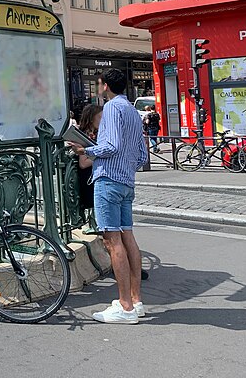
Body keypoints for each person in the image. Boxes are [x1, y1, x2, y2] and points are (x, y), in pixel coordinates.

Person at [71, 69, 148, 324]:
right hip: (127, 181)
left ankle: (124, 307)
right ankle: (135, 301)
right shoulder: (132, 111)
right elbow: (142, 156)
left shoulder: (113, 109)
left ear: (104, 86)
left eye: (100, 84)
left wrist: (85, 148)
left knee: (112, 241)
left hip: (109, 180)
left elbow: (111, 145)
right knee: (128, 237)